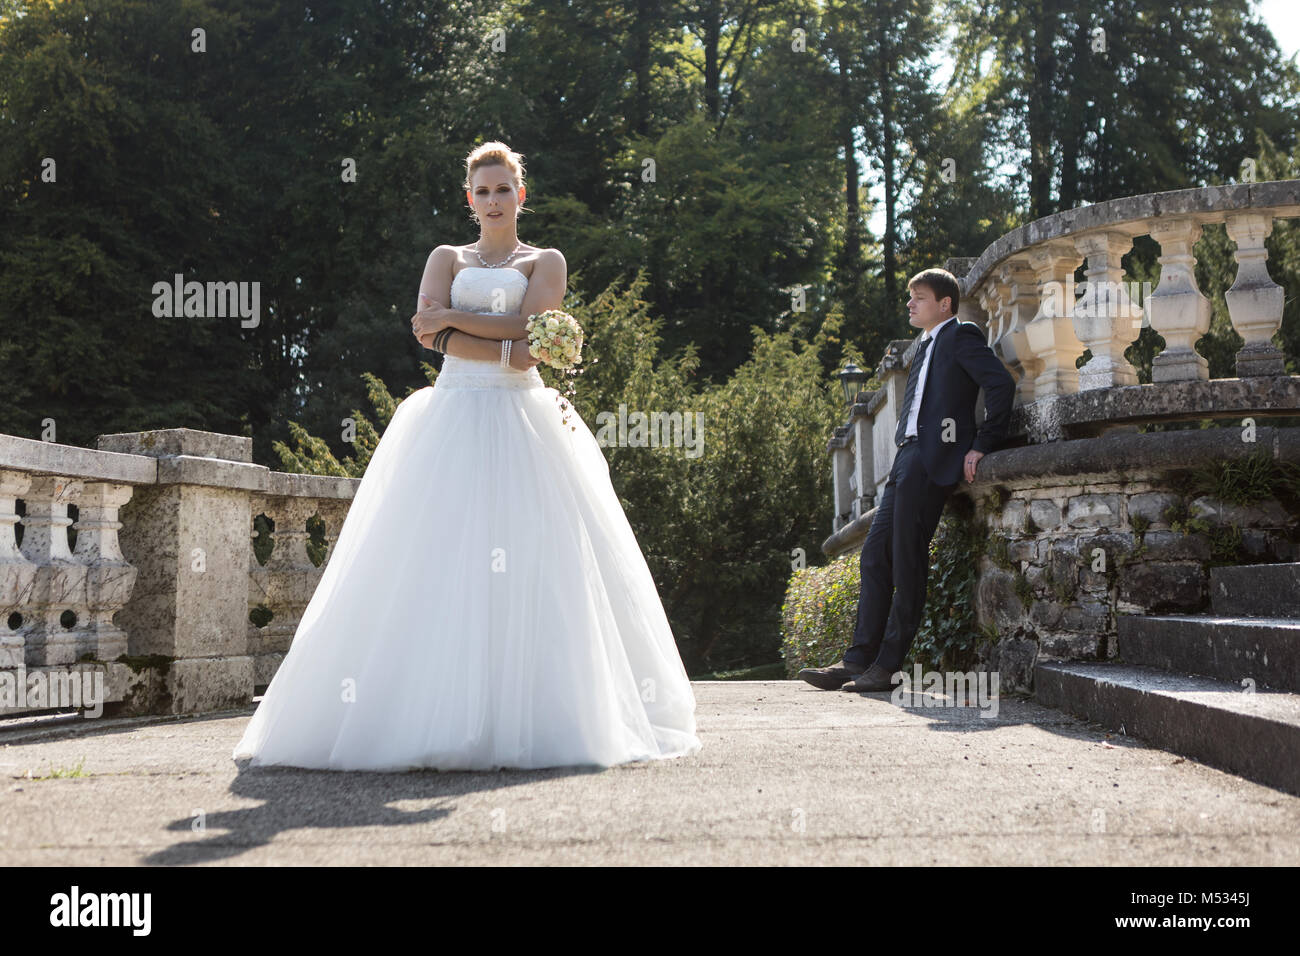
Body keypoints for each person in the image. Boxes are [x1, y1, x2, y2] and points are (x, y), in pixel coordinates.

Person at [233, 142, 702, 771]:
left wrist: (455, 323)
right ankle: (424, 712)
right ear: (469, 198)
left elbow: (531, 345)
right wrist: (484, 335)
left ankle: (532, 716)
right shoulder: (445, 256)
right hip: (450, 416)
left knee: (532, 561)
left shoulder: (547, 261)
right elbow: (437, 333)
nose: (492, 201)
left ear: (520, 195)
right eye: (481, 192)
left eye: (502, 189)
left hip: (524, 422)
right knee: (434, 559)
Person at [799, 268, 1015, 693]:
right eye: (910, 297)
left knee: (907, 560)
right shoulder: (925, 345)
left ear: (945, 304)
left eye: (919, 297)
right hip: (906, 458)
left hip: (932, 461)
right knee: (874, 556)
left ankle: (890, 665)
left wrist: (981, 444)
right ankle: (856, 660)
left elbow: (999, 385)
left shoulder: (961, 335)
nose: (910, 304)